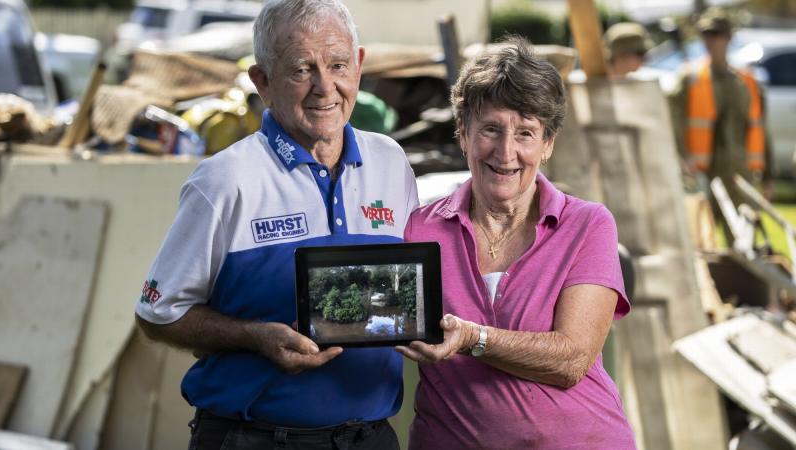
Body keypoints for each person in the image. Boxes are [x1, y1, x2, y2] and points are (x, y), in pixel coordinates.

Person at [134, 1, 418, 448]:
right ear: (262, 81)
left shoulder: (391, 162)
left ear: (359, 66)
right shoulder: (226, 179)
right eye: (301, 70)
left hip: (371, 437)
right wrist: (253, 338)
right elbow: (158, 313)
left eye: (338, 64)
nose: (325, 88)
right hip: (257, 438)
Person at [395, 37, 635, 449]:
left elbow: (572, 359)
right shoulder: (420, 229)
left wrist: (474, 338)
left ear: (548, 145)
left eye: (525, 133)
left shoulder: (587, 225)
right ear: (463, 133)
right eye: (490, 129)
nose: (506, 153)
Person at [669, 7, 774, 211]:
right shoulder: (689, 78)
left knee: (742, 238)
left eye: (716, 34)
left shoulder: (748, 83)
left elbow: (762, 131)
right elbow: (673, 123)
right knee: (700, 239)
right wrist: (684, 159)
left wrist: (768, 176)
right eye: (706, 34)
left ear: (728, 37)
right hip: (701, 173)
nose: (711, 40)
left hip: (738, 174)